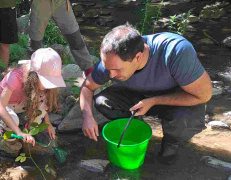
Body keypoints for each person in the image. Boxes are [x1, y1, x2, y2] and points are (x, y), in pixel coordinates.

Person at [80, 23, 213, 164]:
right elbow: (87, 87)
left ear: (138, 57)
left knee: (185, 122)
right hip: (138, 97)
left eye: (117, 70)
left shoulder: (176, 52)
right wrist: (87, 116)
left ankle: (171, 142)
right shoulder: (113, 60)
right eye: (108, 68)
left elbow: (204, 95)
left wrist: (154, 100)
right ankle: (136, 131)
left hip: (176, 100)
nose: (111, 74)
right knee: (103, 101)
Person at [0, 47, 66, 146]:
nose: (48, 85)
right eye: (46, 81)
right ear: (33, 75)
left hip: (22, 103)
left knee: (44, 97)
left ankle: (32, 130)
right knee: (13, 126)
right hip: (2, 105)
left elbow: (43, 102)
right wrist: (19, 132)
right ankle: (6, 127)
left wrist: (48, 123)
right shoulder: (15, 77)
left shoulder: (38, 80)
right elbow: (0, 108)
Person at [28, 0, 94, 77]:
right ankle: (33, 77)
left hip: (61, 3)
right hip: (40, 3)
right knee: (35, 42)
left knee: (75, 37)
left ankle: (89, 72)